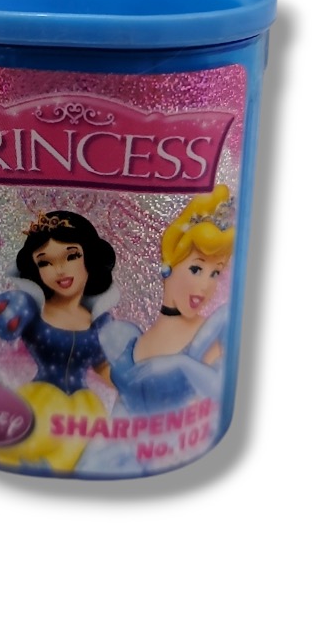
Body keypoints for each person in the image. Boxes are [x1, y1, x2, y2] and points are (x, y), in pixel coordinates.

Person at [78, 186, 235, 475]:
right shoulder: (124, 336)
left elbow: (218, 392)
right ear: (168, 266)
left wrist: (181, 364)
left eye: (216, 272)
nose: (206, 286)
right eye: (196, 269)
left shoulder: (211, 333)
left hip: (165, 463)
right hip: (102, 460)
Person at [0, 210, 120, 472]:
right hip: (41, 402)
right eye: (45, 262)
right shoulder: (28, 307)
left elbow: (104, 367)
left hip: (86, 410)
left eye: (71, 256)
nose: (60, 269)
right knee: (25, 449)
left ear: (89, 257)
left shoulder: (101, 321)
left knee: (84, 453)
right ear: (35, 269)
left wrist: (138, 390)